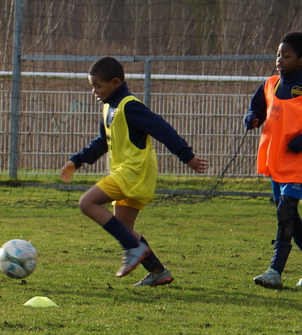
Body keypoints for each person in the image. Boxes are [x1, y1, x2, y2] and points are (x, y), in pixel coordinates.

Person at [59, 56, 208, 286]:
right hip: (129, 174)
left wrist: (186, 156)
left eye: (98, 86)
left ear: (115, 83)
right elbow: (102, 142)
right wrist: (76, 161)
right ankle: (158, 272)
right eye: (92, 86)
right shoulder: (109, 107)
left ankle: (132, 249)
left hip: (132, 173)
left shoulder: (130, 106)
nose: (94, 92)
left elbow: (161, 128)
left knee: (87, 203)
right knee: (125, 228)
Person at [244, 32, 302, 289]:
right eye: (278, 54)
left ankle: (274, 272)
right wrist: (251, 118)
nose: (279, 59)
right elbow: (256, 107)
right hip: (276, 162)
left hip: (297, 163)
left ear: (301, 60)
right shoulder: (271, 84)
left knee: (285, 211)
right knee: (289, 217)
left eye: (286, 55)